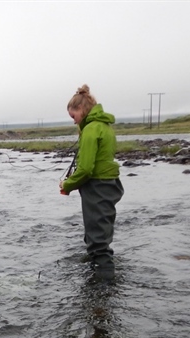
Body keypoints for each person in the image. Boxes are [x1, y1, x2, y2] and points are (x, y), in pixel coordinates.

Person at [60, 85, 124, 281]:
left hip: (97, 186)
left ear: (82, 110)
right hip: (109, 184)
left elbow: (86, 168)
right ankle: (97, 277)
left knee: (97, 240)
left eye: (74, 116)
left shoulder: (91, 129)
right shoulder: (105, 127)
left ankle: (102, 289)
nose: (74, 121)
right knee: (99, 232)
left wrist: (67, 185)